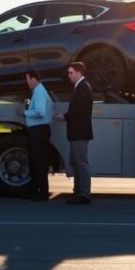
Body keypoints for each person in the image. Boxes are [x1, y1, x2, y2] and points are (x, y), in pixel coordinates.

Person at [55, 61, 93, 204]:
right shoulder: (80, 87)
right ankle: (78, 191)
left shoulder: (83, 87)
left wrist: (64, 117)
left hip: (80, 132)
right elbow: (77, 110)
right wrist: (65, 116)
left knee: (81, 162)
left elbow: (79, 111)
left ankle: (83, 194)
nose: (69, 75)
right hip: (77, 131)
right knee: (75, 161)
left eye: (71, 73)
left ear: (78, 72)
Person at [22, 69, 54, 201]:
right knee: (35, 161)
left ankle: (42, 192)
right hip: (38, 130)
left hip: (39, 130)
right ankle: (36, 190)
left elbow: (40, 112)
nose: (27, 82)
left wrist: (24, 113)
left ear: (33, 79)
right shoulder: (37, 91)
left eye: (27, 79)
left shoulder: (39, 92)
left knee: (39, 162)